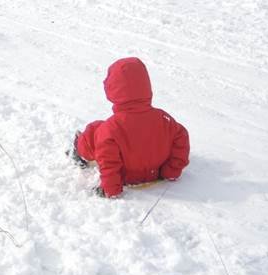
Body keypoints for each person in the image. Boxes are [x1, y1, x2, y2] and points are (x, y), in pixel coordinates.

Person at [70, 57, 190, 198]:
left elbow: (108, 159)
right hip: (156, 172)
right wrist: (171, 171)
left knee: (95, 130)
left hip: (126, 176)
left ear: (112, 88)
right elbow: (181, 136)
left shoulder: (111, 129)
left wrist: (111, 188)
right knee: (106, 131)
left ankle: (79, 148)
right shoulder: (164, 119)